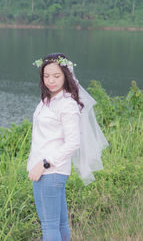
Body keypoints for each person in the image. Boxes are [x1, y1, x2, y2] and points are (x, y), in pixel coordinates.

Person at [27, 53, 108, 241]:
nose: (51, 81)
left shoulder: (67, 104)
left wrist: (44, 163)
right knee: (60, 224)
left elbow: (73, 142)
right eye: (46, 76)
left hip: (49, 171)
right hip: (48, 171)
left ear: (66, 75)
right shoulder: (48, 100)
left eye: (56, 76)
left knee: (49, 227)